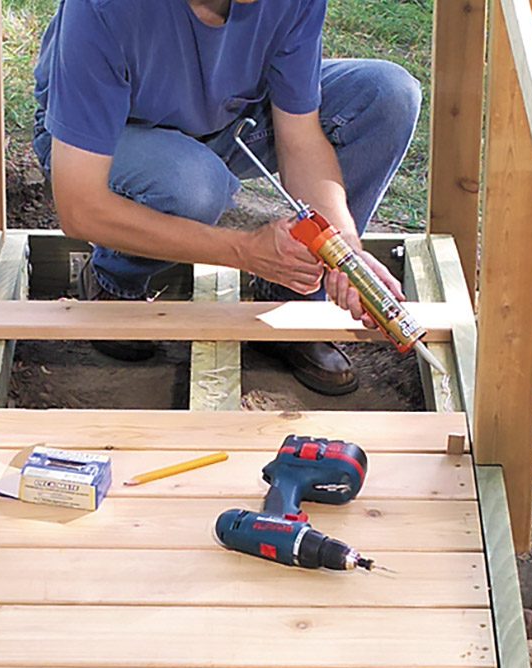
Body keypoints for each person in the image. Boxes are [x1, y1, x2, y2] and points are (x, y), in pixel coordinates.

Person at [32, 0, 423, 396]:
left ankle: (292, 297)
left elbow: (301, 139)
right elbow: (79, 207)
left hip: (226, 121)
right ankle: (115, 280)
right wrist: (244, 251)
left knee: (386, 95)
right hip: (102, 142)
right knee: (194, 184)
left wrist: (343, 251)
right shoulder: (105, 8)